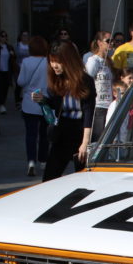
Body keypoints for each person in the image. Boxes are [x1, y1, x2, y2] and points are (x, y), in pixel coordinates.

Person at [32, 39, 96, 182]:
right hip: (62, 131)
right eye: (51, 61)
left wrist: (85, 143)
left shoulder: (85, 81)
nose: (54, 65)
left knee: (84, 179)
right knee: (49, 177)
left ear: (68, 61)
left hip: (81, 131)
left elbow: (89, 112)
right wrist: (42, 100)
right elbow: (57, 105)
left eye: (58, 61)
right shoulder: (56, 79)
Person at [17, 35, 50, 176]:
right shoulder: (48, 62)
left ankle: (31, 161)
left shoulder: (26, 62)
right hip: (45, 100)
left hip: (29, 101)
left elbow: (20, 81)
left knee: (31, 134)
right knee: (44, 134)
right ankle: (43, 160)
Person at [84, 30, 114, 141]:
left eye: (113, 41)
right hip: (98, 106)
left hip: (109, 105)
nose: (111, 43)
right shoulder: (93, 60)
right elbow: (87, 81)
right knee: (98, 139)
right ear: (99, 42)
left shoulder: (109, 61)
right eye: (108, 41)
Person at [0, 30, 16, 114]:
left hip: (7, 71)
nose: (4, 38)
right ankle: (1, 104)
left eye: (5, 36)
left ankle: (3, 103)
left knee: (6, 88)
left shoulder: (9, 47)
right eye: (2, 36)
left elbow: (14, 58)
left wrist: (13, 54)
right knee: (0, 88)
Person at [15, 31, 30, 109]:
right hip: (19, 67)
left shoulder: (30, 45)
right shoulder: (17, 45)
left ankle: (25, 100)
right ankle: (18, 101)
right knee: (19, 84)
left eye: (26, 35)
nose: (25, 37)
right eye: (23, 35)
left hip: (28, 68)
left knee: (27, 85)